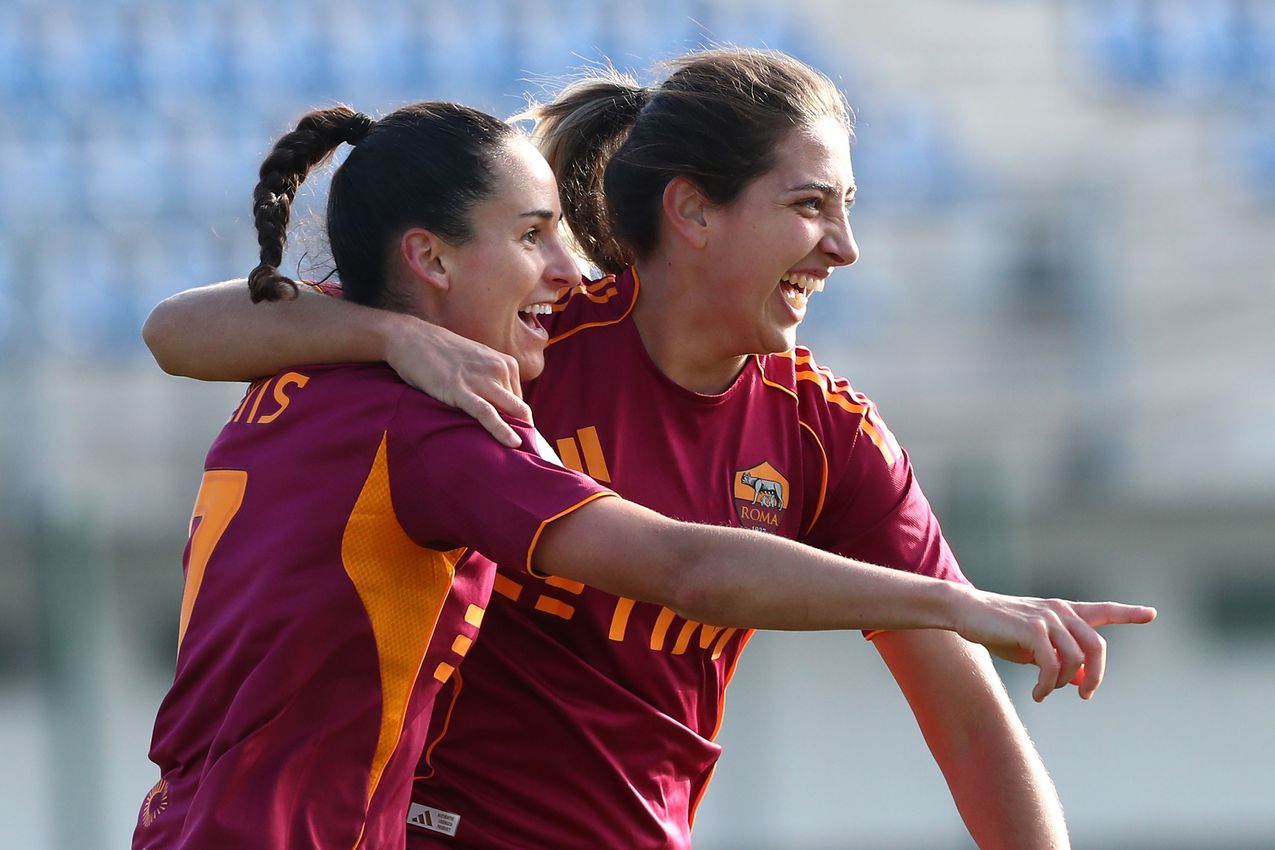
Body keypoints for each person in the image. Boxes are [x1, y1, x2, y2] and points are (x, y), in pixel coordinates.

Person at [141, 51, 1154, 849]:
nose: (845, 245)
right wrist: (392, 334)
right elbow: (182, 329)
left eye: (849, 208)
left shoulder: (823, 437)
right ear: (694, 210)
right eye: (810, 204)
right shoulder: (516, 344)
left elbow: (971, 720)